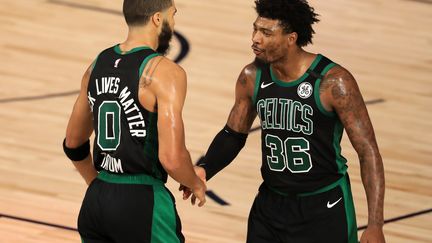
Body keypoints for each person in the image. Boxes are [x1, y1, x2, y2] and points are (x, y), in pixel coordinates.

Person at [182, 0, 385, 242]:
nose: (256, 38)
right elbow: (233, 135)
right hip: (270, 206)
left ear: (291, 38)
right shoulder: (252, 76)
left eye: (266, 33)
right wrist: (206, 168)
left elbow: (367, 151)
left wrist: (375, 223)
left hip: (324, 207)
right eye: (255, 29)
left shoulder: (334, 82)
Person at [63, 0, 206, 242]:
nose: (174, 22)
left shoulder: (97, 65)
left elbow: (73, 143)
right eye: (173, 15)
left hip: (96, 202)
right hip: (143, 201)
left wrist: (96, 183)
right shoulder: (165, 72)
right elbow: (171, 158)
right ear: (157, 19)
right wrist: (194, 181)